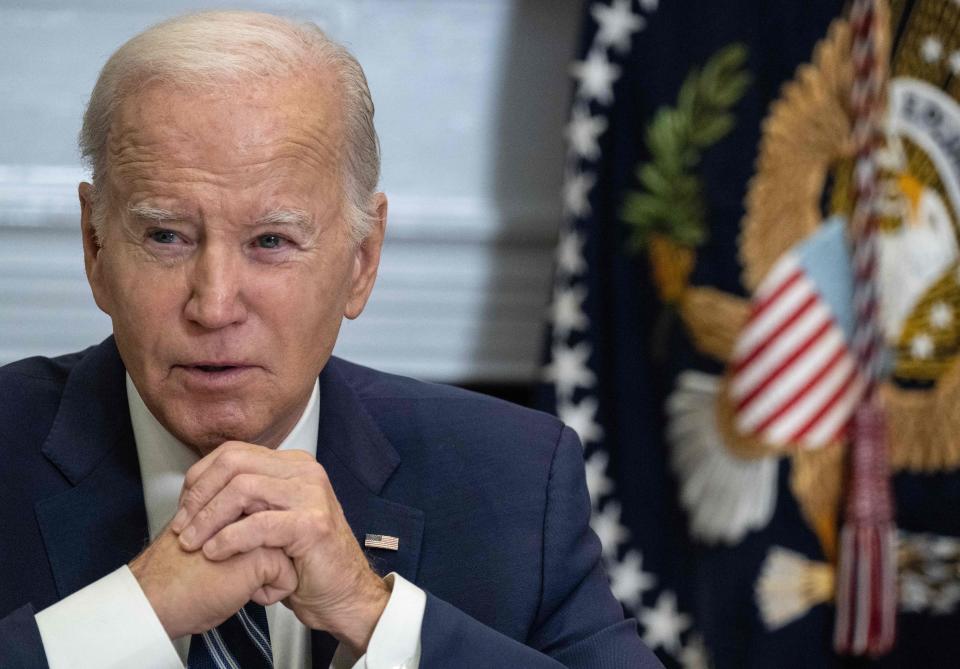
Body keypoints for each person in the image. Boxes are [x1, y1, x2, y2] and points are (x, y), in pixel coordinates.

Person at [0, 10, 661, 669]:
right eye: (166, 235)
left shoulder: (513, 481)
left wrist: (374, 614)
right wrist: (130, 614)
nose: (215, 303)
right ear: (95, 246)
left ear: (361, 260)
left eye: (271, 241)